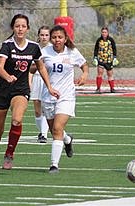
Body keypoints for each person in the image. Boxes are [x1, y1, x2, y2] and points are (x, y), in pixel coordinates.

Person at [0, 14, 59, 173]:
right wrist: (7, 76)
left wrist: (49, 87)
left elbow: (41, 67)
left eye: (23, 26)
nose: (20, 29)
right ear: (13, 28)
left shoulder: (33, 47)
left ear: (28, 28)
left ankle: (9, 154)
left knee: (17, 120)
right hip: (3, 91)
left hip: (21, 90)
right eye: (17, 26)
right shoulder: (7, 45)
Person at [41, 25, 89, 174]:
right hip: (48, 96)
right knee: (55, 130)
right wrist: (34, 68)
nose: (57, 40)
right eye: (54, 37)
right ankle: (67, 140)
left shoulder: (72, 52)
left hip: (66, 96)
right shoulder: (44, 52)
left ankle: (54, 165)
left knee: (56, 129)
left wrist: (84, 75)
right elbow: (35, 67)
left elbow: (84, 65)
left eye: (60, 37)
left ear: (65, 38)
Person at [29, 25, 51, 143]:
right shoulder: (34, 48)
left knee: (45, 108)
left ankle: (44, 134)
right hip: (37, 79)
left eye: (46, 35)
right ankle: (42, 131)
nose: (44, 37)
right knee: (37, 110)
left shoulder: (52, 49)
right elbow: (31, 68)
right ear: (38, 36)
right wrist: (29, 82)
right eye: (42, 35)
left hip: (47, 80)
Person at [92, 26, 119, 93]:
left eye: (105, 32)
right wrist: (95, 57)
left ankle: (112, 88)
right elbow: (96, 49)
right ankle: (98, 88)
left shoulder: (111, 40)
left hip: (109, 60)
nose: (104, 33)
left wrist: (115, 57)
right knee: (99, 73)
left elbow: (114, 48)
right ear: (101, 33)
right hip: (101, 59)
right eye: (103, 32)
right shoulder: (99, 40)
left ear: (107, 33)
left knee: (110, 74)